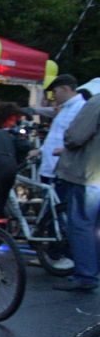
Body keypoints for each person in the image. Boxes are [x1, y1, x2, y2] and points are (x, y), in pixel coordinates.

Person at [52, 77, 100, 292]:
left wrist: (67, 138)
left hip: (89, 174)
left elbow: (75, 136)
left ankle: (85, 275)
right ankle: (93, 270)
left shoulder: (96, 103)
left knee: (81, 225)